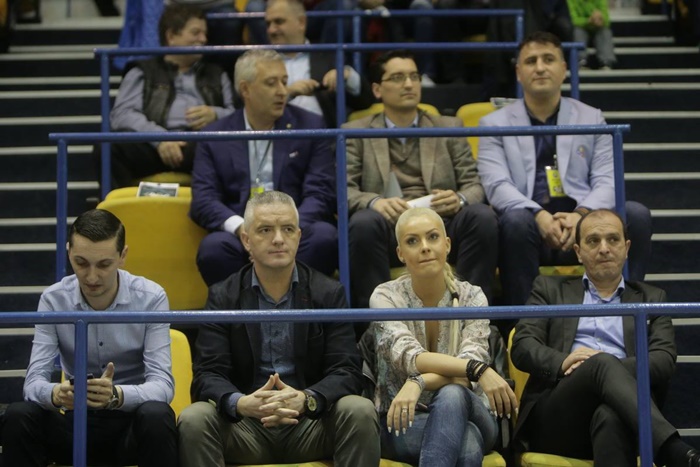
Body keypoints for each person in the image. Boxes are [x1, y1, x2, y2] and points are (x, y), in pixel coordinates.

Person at [178, 191, 381, 466]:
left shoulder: (328, 292)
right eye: (265, 230)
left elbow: (346, 371)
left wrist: (306, 399)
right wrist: (241, 403)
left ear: (298, 236)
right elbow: (207, 374)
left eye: (287, 229)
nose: (278, 239)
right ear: (246, 240)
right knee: (194, 418)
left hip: (310, 424)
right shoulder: (223, 296)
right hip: (245, 427)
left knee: (359, 409)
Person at [511, 208, 700, 466]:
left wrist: (603, 370)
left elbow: (663, 359)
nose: (604, 248)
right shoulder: (549, 289)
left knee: (610, 414)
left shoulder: (652, 298)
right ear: (578, 251)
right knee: (600, 363)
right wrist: (564, 362)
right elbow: (523, 346)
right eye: (593, 241)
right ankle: (669, 448)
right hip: (558, 416)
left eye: (613, 239)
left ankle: (665, 445)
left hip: (624, 415)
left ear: (626, 247)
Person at [477, 31, 652, 307]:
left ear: (563, 68)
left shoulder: (591, 117)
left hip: (584, 225)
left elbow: (608, 181)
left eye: (548, 59)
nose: (540, 67)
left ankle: (628, 311)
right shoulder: (493, 124)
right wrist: (539, 215)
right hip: (528, 230)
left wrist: (581, 216)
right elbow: (497, 185)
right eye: (531, 61)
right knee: (515, 221)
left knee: (635, 215)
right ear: (519, 73)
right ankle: (526, 324)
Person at [1, 209, 177, 466]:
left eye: (104, 265)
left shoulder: (152, 297)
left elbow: (163, 386)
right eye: (81, 263)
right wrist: (56, 394)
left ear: (123, 256)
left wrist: (116, 395)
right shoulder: (53, 299)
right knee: (19, 414)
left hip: (131, 424)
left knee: (157, 415)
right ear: (68, 252)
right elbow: (33, 383)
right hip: (73, 423)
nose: (92, 277)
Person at [345, 50, 498, 309]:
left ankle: (472, 313)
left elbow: (474, 184)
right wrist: (374, 202)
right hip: (389, 226)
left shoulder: (448, 126)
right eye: (398, 78)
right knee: (363, 223)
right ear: (377, 89)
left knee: (482, 217)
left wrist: (459, 199)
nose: (408, 84)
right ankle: (378, 320)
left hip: (440, 222)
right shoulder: (355, 132)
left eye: (414, 76)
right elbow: (344, 190)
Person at [367, 207, 517, 466]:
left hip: (473, 412)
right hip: (403, 419)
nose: (425, 247)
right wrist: (478, 369)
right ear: (400, 253)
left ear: (447, 244)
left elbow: (468, 370)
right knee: (468, 444)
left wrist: (419, 382)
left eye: (433, 237)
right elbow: (409, 357)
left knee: (453, 394)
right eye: (412, 241)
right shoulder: (385, 296)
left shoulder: (472, 296)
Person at [190, 48, 338, 286]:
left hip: (295, 227)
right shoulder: (215, 135)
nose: (282, 91)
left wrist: (286, 228)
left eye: (284, 82)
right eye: (271, 83)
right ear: (245, 89)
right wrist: (243, 230)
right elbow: (204, 199)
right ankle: (241, 310)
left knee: (324, 237)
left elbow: (321, 192)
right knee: (214, 248)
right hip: (242, 231)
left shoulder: (310, 126)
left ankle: (301, 306)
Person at [104, 4, 235, 188]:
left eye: (204, 33)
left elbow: (237, 117)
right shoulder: (142, 71)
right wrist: (161, 138)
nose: (203, 39)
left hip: (199, 146)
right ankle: (117, 206)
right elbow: (122, 115)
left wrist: (216, 115)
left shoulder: (217, 74)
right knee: (107, 147)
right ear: (171, 36)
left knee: (222, 147)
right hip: (152, 146)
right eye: (196, 33)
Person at [263, 0, 374, 128]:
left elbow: (365, 102)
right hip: (275, 135)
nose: (271, 30)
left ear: (301, 22)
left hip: (324, 136)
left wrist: (347, 75)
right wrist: (287, 93)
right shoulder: (261, 63)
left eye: (278, 22)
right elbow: (249, 105)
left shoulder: (328, 57)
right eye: (268, 24)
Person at [567, 0, 617, 69]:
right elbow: (573, 20)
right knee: (577, 31)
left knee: (605, 31)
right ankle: (581, 62)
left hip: (597, 28)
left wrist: (600, 20)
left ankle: (606, 62)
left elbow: (607, 21)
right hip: (581, 28)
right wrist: (589, 21)